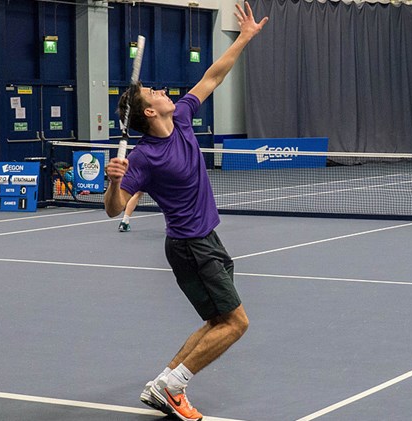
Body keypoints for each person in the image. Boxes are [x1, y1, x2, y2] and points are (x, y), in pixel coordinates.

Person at [104, 3, 267, 420]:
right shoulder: (143, 157)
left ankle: (163, 383)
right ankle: (175, 388)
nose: (162, 90)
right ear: (148, 112)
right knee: (236, 323)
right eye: (153, 92)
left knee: (218, 320)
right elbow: (114, 210)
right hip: (191, 247)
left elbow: (213, 75)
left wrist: (244, 38)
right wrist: (113, 180)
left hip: (206, 238)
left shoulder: (183, 119)